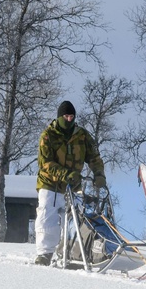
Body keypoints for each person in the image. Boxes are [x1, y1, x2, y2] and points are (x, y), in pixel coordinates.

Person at [34, 100, 107, 266]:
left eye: (71, 116)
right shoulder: (48, 136)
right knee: (47, 218)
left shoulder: (82, 135)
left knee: (76, 221)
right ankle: (44, 254)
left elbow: (94, 157)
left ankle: (74, 253)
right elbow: (45, 163)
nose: (69, 119)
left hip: (73, 186)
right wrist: (65, 174)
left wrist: (99, 174)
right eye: (66, 116)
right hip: (50, 184)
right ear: (59, 117)